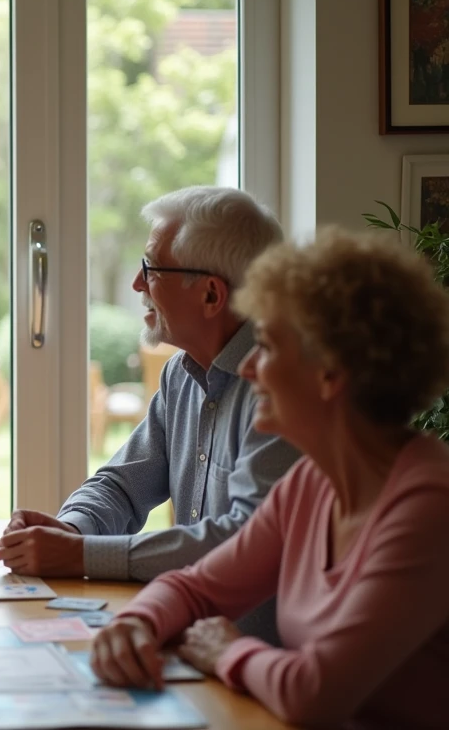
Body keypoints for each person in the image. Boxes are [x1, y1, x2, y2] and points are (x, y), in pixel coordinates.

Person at [91, 228, 449, 729]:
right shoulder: (311, 483)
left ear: (329, 373)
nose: (252, 367)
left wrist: (228, 652)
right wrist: (134, 623)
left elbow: (314, 692)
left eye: (268, 345)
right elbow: (197, 588)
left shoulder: (428, 506)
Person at [0, 186, 299, 638]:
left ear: (212, 296)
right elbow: (121, 484)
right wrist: (70, 529)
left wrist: (79, 555)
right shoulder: (181, 374)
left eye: (151, 268)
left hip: (258, 661)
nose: (138, 284)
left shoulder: (282, 391)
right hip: (191, 643)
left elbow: (242, 540)